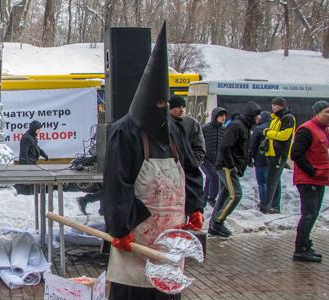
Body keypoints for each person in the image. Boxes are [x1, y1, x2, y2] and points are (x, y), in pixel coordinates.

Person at [101, 25, 197, 299]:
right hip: (137, 235)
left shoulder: (174, 129)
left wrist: (195, 205)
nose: (161, 109)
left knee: (167, 288)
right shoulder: (125, 131)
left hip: (170, 234)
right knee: (135, 291)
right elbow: (117, 184)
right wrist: (119, 228)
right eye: (155, 104)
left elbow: (189, 170)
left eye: (164, 104)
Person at [290, 101, 329, 263]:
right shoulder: (307, 130)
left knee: (313, 213)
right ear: (317, 113)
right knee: (308, 214)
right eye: (327, 111)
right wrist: (313, 171)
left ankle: (305, 245)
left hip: (320, 179)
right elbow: (296, 154)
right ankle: (300, 249)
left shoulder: (327, 130)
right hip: (309, 180)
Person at [209, 102, 262, 238]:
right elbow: (225, 147)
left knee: (225, 194)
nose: (260, 117)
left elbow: (242, 148)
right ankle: (217, 222)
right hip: (226, 167)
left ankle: (214, 225)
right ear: (252, 115)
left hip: (229, 166)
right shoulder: (237, 126)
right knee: (236, 195)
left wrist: (246, 160)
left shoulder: (244, 127)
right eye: (257, 115)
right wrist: (232, 166)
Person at [169, 96, 206, 221]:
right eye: (178, 107)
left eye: (183, 106)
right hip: (170, 173)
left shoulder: (192, 123)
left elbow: (199, 148)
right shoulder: (163, 123)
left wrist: (192, 163)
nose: (181, 109)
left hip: (187, 171)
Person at [261, 97, 296, 214]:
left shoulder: (288, 118)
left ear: (282, 106)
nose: (273, 107)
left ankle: (267, 207)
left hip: (279, 154)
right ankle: (274, 206)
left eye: (276, 105)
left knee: (271, 181)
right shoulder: (276, 118)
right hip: (272, 153)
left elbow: (284, 135)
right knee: (274, 180)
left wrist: (268, 132)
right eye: (272, 105)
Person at [201, 107, 227, 207]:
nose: (223, 118)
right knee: (214, 177)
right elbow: (198, 141)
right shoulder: (205, 128)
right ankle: (211, 198)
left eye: (225, 116)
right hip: (205, 158)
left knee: (209, 178)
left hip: (217, 160)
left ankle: (203, 201)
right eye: (221, 115)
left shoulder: (224, 129)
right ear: (215, 116)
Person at [17, 120, 49, 194]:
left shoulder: (32, 136)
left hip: (32, 164)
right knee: (31, 186)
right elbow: (23, 155)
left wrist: (44, 154)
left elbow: (36, 147)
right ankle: (30, 194)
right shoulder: (26, 138)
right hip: (28, 165)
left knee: (36, 184)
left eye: (39, 130)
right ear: (33, 129)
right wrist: (28, 167)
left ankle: (34, 193)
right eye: (38, 130)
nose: (39, 131)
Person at [249, 111, 272, 210]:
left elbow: (252, 145)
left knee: (262, 182)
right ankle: (273, 204)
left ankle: (264, 204)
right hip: (273, 159)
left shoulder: (258, 129)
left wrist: (250, 157)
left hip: (260, 159)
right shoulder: (274, 127)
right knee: (273, 182)